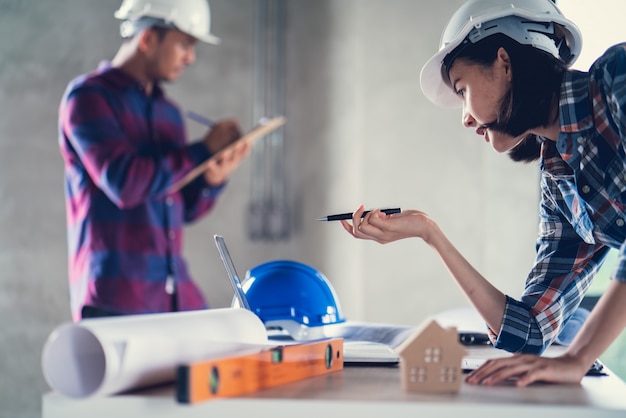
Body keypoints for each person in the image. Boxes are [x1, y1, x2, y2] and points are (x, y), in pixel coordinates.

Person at [340, 0, 626, 387]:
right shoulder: (560, 182)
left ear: (504, 63)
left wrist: (577, 358)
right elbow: (530, 331)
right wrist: (430, 233)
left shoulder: (616, 77)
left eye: (462, 90)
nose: (465, 117)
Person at [58, 0, 251, 322]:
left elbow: (181, 208)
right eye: (185, 44)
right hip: (115, 300)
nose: (190, 58)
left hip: (173, 296)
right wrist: (202, 151)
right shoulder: (87, 98)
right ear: (148, 39)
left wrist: (211, 180)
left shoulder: (169, 114)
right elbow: (125, 184)